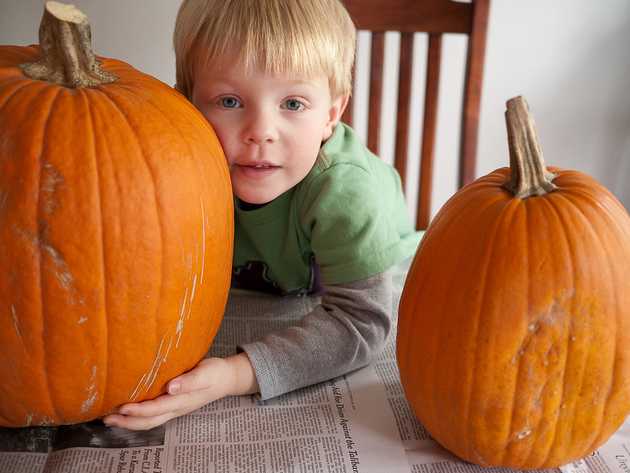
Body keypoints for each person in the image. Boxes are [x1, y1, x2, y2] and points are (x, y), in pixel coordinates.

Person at [103, 0, 421, 431]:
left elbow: (361, 323)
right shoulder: (179, 168)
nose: (261, 131)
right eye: (230, 100)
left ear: (331, 115)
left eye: (292, 103)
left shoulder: (345, 192)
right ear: (186, 104)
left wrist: (237, 374)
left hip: (382, 272)